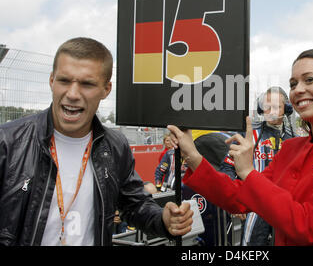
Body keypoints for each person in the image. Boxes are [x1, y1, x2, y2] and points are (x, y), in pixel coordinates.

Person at [0, 37, 193, 246]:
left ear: (106, 89)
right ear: (51, 81)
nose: (72, 94)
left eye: (87, 84)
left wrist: (163, 220)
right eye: (64, 80)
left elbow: (134, 206)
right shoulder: (8, 143)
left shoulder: (115, 146)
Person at [168, 49, 313, 245]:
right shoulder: (290, 148)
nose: (298, 89)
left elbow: (306, 225)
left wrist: (247, 171)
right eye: (293, 83)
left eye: (309, 80)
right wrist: (193, 156)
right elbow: (239, 198)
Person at [220, 87, 294, 246]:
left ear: (286, 109)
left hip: (285, 209)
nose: (271, 111)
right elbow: (227, 168)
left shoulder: (294, 139)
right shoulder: (249, 136)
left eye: (276, 106)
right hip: (254, 208)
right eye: (267, 106)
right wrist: (236, 198)